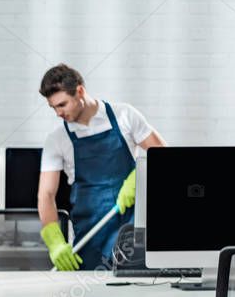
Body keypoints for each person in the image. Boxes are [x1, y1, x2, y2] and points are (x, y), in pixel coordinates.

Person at [36, 64, 167, 271]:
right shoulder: (57, 139)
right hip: (90, 239)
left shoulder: (124, 115)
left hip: (133, 235)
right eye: (53, 107)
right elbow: (46, 195)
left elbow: (163, 156)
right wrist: (54, 241)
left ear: (79, 91)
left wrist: (139, 177)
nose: (58, 113)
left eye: (62, 105)